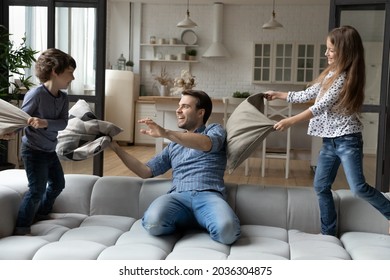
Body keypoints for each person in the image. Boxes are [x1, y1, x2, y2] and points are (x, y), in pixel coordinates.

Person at [264, 25, 390, 236]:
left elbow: (319, 107)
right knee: (321, 187)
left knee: (358, 188)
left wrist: (289, 121)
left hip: (347, 140)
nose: (326, 53)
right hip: (329, 142)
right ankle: (328, 234)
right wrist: (278, 94)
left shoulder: (344, 78)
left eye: (330, 49)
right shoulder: (331, 74)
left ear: (345, 50)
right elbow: (307, 95)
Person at [110, 90, 241, 245]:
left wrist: (165, 132)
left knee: (228, 232)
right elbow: (145, 171)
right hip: (178, 197)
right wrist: (116, 148)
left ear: (200, 112)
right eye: (179, 106)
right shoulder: (174, 145)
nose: (178, 110)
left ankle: (200, 220)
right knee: (153, 223)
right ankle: (190, 221)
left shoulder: (214, 130)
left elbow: (206, 143)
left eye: (185, 106)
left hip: (209, 196)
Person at [4, 48, 76, 235]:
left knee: (58, 184)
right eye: (70, 72)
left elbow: (63, 123)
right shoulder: (36, 95)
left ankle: (41, 214)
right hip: (33, 151)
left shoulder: (63, 98)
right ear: (55, 71)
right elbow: (22, 118)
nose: (73, 78)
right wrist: (9, 132)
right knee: (36, 190)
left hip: (49, 150)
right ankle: (22, 227)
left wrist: (44, 123)